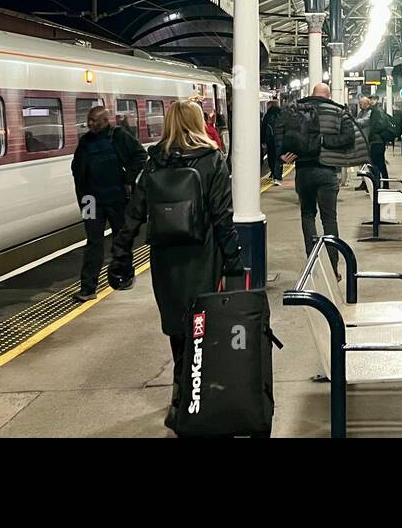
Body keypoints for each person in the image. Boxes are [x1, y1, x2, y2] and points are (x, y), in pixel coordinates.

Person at [111, 100, 243, 429]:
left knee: (177, 330)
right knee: (202, 327)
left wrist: (121, 255)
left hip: (166, 260)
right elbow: (222, 217)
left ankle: (180, 396)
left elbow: (134, 214)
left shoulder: (154, 162)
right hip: (203, 256)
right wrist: (234, 263)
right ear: (199, 123)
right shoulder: (212, 160)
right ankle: (195, 399)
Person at [71, 105, 147, 302]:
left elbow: (140, 155)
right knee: (93, 242)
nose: (89, 124)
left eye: (94, 120)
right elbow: (77, 168)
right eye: (88, 120)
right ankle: (88, 288)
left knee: (121, 240)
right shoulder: (85, 142)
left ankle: (123, 277)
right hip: (91, 200)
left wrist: (129, 179)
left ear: (105, 121)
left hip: (117, 199)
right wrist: (82, 197)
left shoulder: (119, 136)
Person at [281, 83, 356, 272]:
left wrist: (282, 154)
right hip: (327, 171)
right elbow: (349, 138)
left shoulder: (296, 110)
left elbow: (280, 131)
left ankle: (313, 262)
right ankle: (332, 267)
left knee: (307, 215)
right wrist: (325, 140)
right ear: (329, 95)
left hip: (304, 170)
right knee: (329, 219)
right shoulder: (339, 112)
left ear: (311, 94)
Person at [365, 97, 397, 183]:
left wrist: (372, 132)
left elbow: (378, 125)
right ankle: (385, 183)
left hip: (376, 141)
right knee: (381, 164)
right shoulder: (379, 110)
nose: (371, 101)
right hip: (379, 141)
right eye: (370, 100)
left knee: (376, 164)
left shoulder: (376, 111)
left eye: (373, 100)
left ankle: (377, 183)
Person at [261, 100, 283, 183]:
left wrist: (263, 141)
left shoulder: (267, 115)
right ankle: (278, 176)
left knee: (271, 157)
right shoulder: (282, 114)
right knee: (279, 157)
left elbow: (263, 128)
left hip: (270, 140)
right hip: (280, 140)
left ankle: (273, 172)